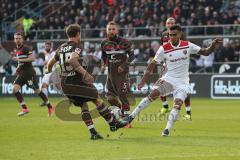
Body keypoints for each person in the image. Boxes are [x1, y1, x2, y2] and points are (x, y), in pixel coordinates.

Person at [125, 24, 222, 136]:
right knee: (153, 94)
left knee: (177, 104)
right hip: (169, 79)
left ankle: (166, 130)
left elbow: (205, 52)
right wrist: (142, 81)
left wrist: (213, 46)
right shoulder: (164, 48)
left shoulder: (187, 46)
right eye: (170, 35)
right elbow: (152, 65)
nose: (171, 37)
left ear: (180, 34)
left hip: (183, 82)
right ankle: (131, 117)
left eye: (174, 35)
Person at [47, 24, 128, 140]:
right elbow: (73, 60)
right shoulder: (76, 46)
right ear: (78, 34)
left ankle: (93, 133)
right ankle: (113, 123)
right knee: (97, 100)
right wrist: (86, 74)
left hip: (66, 85)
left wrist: (48, 71)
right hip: (77, 82)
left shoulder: (61, 47)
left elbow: (50, 63)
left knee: (83, 105)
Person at [12, 32, 54, 117]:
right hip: (22, 73)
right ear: (14, 40)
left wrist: (18, 60)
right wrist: (18, 67)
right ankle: (25, 109)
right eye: (16, 38)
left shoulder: (25, 48)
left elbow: (32, 59)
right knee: (14, 89)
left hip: (29, 73)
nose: (18, 40)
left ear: (22, 39)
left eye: (19, 38)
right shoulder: (17, 50)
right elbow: (21, 60)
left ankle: (50, 106)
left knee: (37, 91)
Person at [101, 21, 134, 126]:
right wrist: (104, 64)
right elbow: (104, 56)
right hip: (111, 75)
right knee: (109, 98)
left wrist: (124, 66)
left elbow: (132, 56)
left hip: (122, 75)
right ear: (106, 30)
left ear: (117, 30)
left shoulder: (124, 42)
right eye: (109, 29)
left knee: (122, 95)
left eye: (113, 29)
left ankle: (127, 121)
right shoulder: (104, 43)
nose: (111, 31)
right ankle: (121, 111)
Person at [159, 17, 191, 120]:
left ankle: (188, 112)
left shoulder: (181, 35)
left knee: (183, 88)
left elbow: (186, 48)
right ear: (165, 24)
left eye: (172, 23)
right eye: (168, 23)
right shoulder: (164, 35)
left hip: (179, 66)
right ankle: (165, 106)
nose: (169, 24)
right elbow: (162, 50)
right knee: (160, 84)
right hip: (166, 65)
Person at [40, 41, 62, 106]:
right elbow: (47, 62)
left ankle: (70, 98)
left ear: (50, 46)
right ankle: (46, 101)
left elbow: (52, 62)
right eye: (46, 46)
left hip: (54, 72)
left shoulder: (53, 53)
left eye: (48, 46)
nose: (46, 47)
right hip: (48, 72)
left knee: (59, 87)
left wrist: (46, 63)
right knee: (44, 85)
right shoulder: (46, 54)